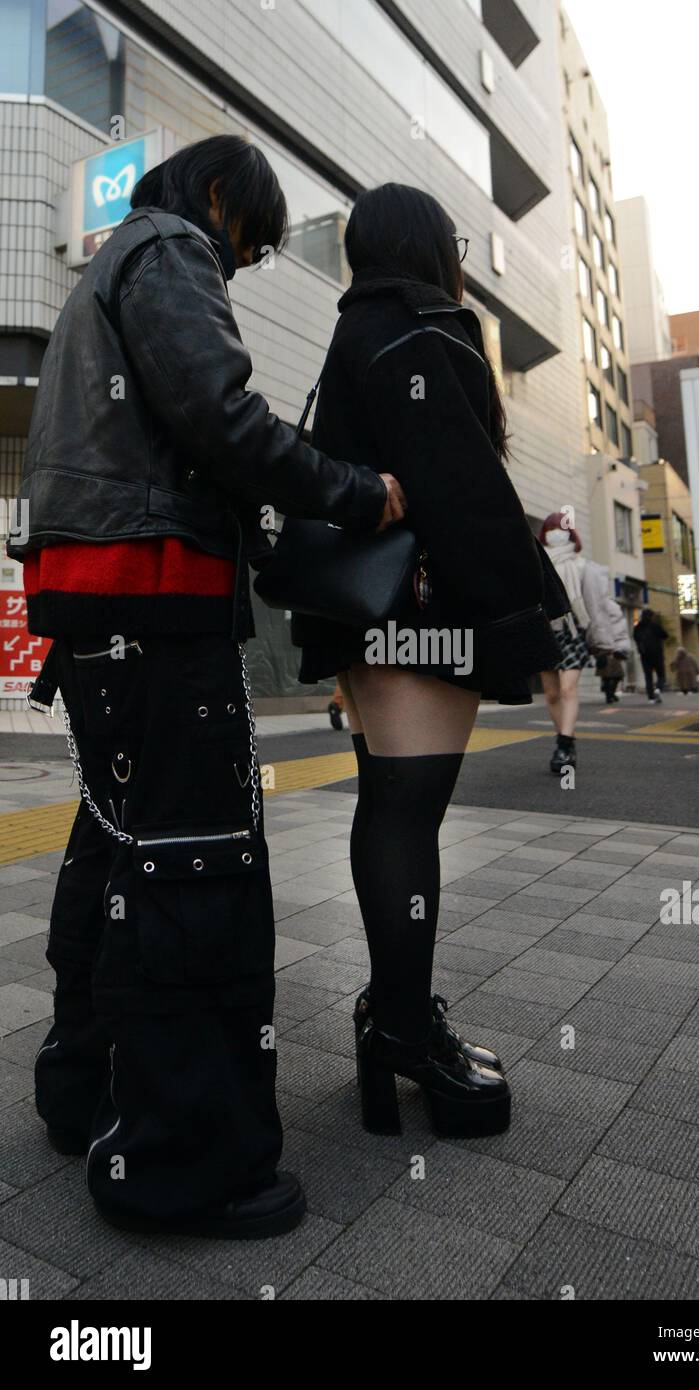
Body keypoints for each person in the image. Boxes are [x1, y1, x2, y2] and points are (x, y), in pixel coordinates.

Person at [8, 135, 405, 1240]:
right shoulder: (172, 249)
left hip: (95, 599)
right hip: (156, 596)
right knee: (197, 859)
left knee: (115, 840)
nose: (240, 266)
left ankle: (83, 1089)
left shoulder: (104, 272)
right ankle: (184, 1161)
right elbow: (222, 418)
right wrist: (351, 491)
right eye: (252, 241)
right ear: (222, 195)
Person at [292, 183, 559, 1138]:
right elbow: (459, 480)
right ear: (429, 248)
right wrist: (526, 605)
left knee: (388, 804)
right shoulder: (428, 328)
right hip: (427, 610)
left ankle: (392, 1019)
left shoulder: (351, 334)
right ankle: (401, 1029)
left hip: (370, 612)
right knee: (409, 812)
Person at [537, 516, 592, 774]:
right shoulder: (537, 562)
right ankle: (564, 740)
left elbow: (597, 607)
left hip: (572, 632)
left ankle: (564, 744)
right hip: (545, 631)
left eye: (561, 529)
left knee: (568, 689)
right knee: (551, 693)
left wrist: (608, 642)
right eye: (550, 529)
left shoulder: (581, 566)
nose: (555, 533)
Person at [583, 563, 631, 705]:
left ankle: (608, 693)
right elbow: (618, 625)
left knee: (608, 674)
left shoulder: (597, 602)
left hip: (603, 646)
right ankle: (610, 694)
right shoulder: (610, 605)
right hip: (611, 646)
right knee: (614, 674)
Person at [634, 607, 668, 703]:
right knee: (661, 674)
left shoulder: (638, 627)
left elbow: (635, 638)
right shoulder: (655, 626)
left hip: (644, 655)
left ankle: (651, 698)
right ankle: (658, 688)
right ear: (651, 616)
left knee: (648, 676)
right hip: (657, 654)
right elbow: (665, 635)